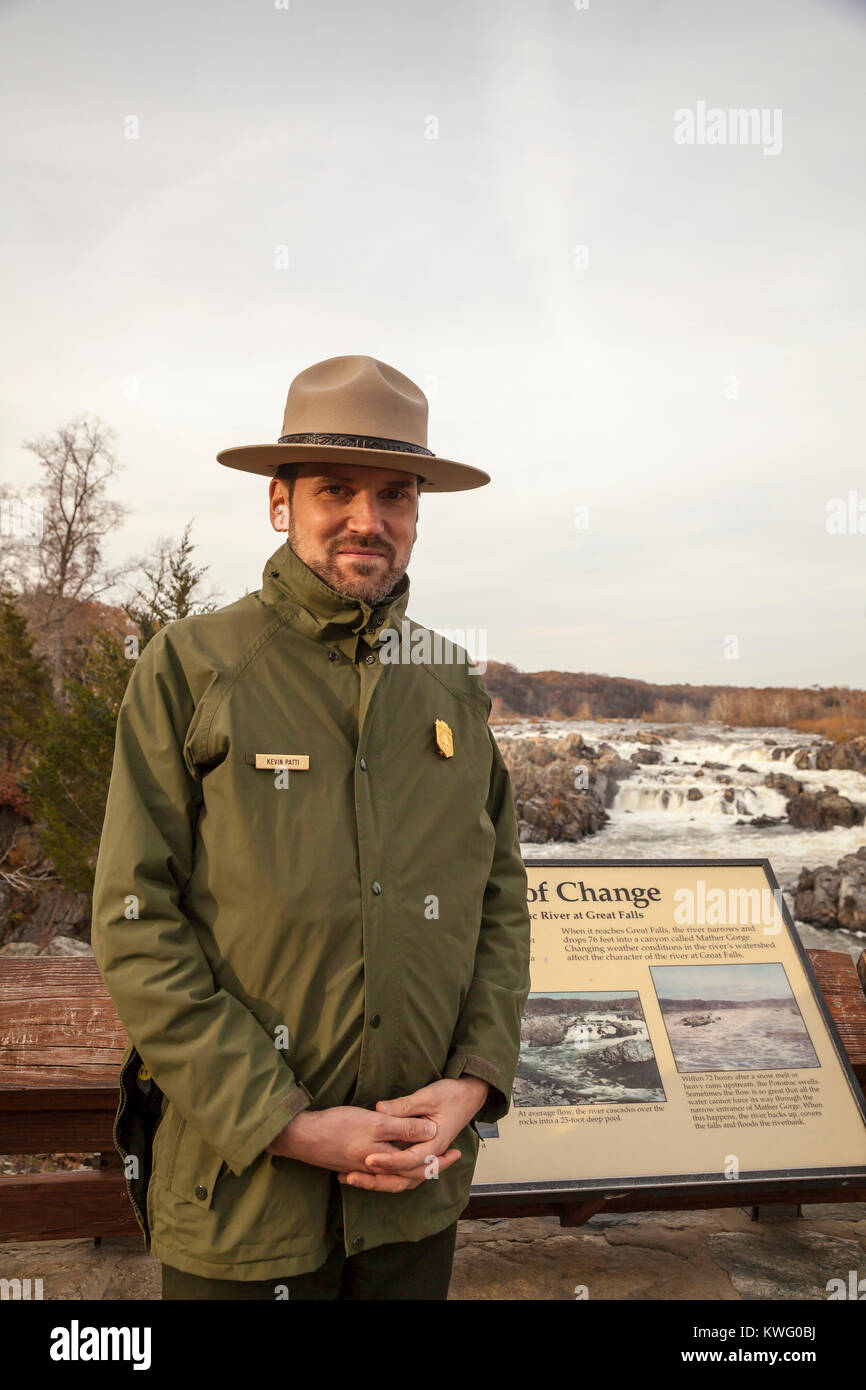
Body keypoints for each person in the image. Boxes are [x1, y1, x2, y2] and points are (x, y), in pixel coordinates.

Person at [91, 354, 532, 1300]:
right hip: (244, 1199)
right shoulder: (193, 667)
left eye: (396, 495)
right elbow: (136, 920)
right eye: (338, 489)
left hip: (416, 1195)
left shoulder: (451, 682)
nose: (369, 520)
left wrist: (474, 1084)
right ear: (279, 500)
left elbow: (500, 901)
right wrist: (287, 1122)